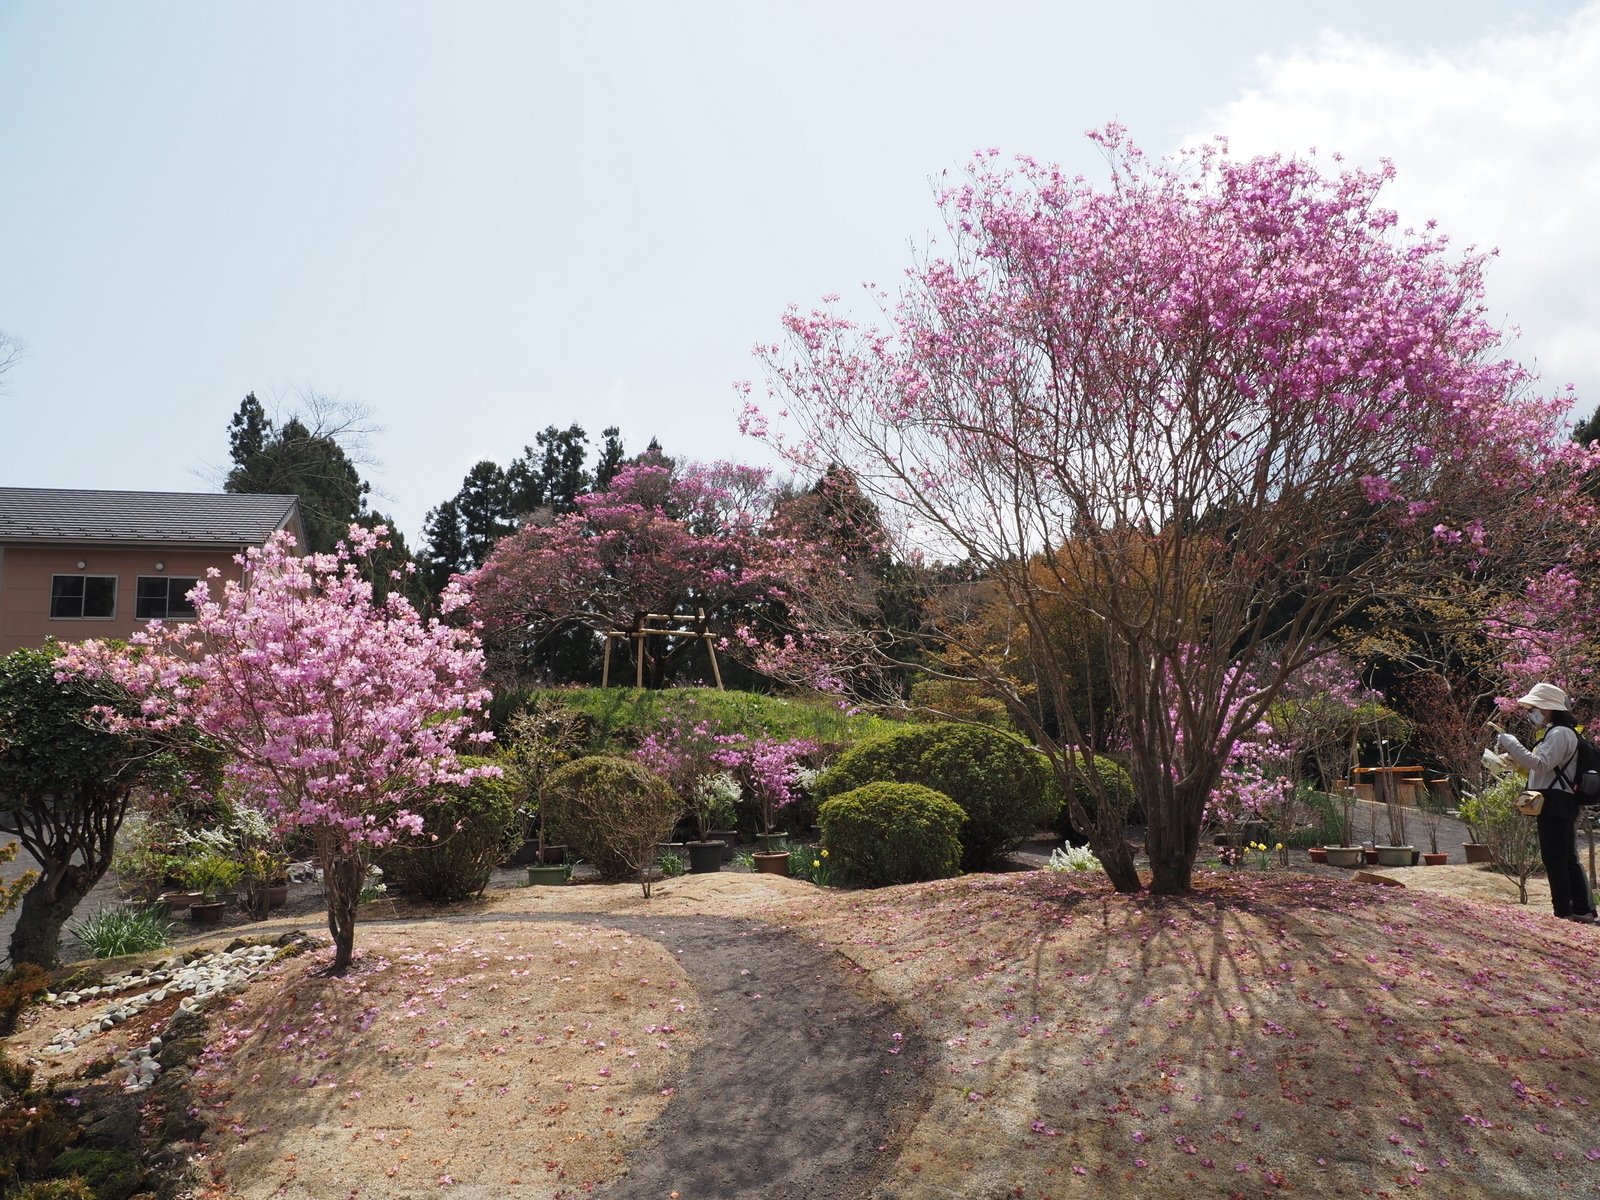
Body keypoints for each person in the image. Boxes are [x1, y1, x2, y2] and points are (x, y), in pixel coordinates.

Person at [1495, 682, 1598, 924]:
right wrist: (1516, 762)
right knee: (1566, 857)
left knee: (1555, 858)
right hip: (1559, 799)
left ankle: (1563, 911)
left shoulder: (1560, 733)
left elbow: (1541, 765)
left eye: (1534, 708)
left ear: (1548, 708)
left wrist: (1511, 743)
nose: (1531, 713)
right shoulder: (1561, 732)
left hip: (1555, 801)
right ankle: (1581, 909)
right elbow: (1543, 769)